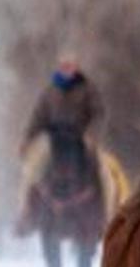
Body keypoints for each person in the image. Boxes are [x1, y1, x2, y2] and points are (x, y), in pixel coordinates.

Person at [16, 53, 105, 233]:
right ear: (58, 67)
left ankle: (106, 216)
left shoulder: (88, 89)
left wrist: (91, 134)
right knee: (31, 169)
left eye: (70, 65)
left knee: (103, 171)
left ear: (76, 67)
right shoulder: (50, 91)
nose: (66, 69)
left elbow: (98, 114)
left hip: (81, 139)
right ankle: (26, 213)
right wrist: (27, 139)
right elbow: (38, 117)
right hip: (53, 141)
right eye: (63, 65)